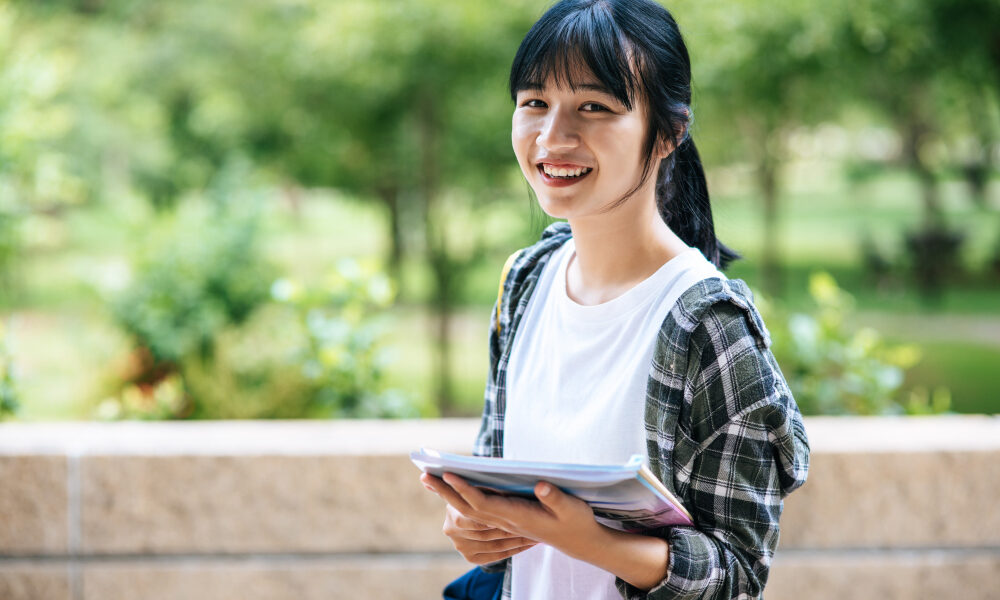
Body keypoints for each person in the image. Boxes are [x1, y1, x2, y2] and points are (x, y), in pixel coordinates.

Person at [420, 1, 811, 598]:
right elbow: (498, 477)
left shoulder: (708, 326)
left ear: (668, 132)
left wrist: (594, 542)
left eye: (594, 107)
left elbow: (736, 576)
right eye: (534, 103)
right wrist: (476, 524)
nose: (553, 138)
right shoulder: (526, 281)